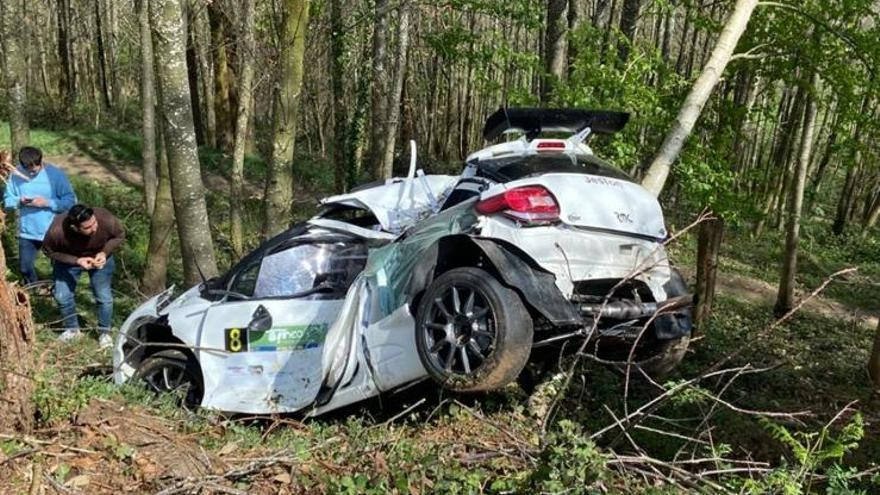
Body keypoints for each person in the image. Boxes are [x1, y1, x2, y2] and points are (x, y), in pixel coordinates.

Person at [42, 204, 125, 348]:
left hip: (101, 257)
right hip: (69, 259)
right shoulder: (57, 231)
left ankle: (104, 332)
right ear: (75, 228)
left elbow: (119, 235)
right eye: (88, 227)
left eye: (94, 223)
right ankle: (72, 329)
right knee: (62, 295)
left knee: (104, 297)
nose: (94, 228)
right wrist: (76, 261)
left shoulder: (105, 218)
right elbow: (49, 251)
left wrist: (104, 252)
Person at [2, 147, 77, 286]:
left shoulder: (56, 175)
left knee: (59, 267)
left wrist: (47, 203)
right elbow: (7, 201)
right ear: (22, 164)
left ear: (41, 159)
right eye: (29, 168)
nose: (34, 170)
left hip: (53, 231)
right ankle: (35, 289)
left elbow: (71, 201)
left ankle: (60, 290)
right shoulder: (15, 175)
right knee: (25, 267)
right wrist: (20, 201)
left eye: (37, 166)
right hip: (28, 232)